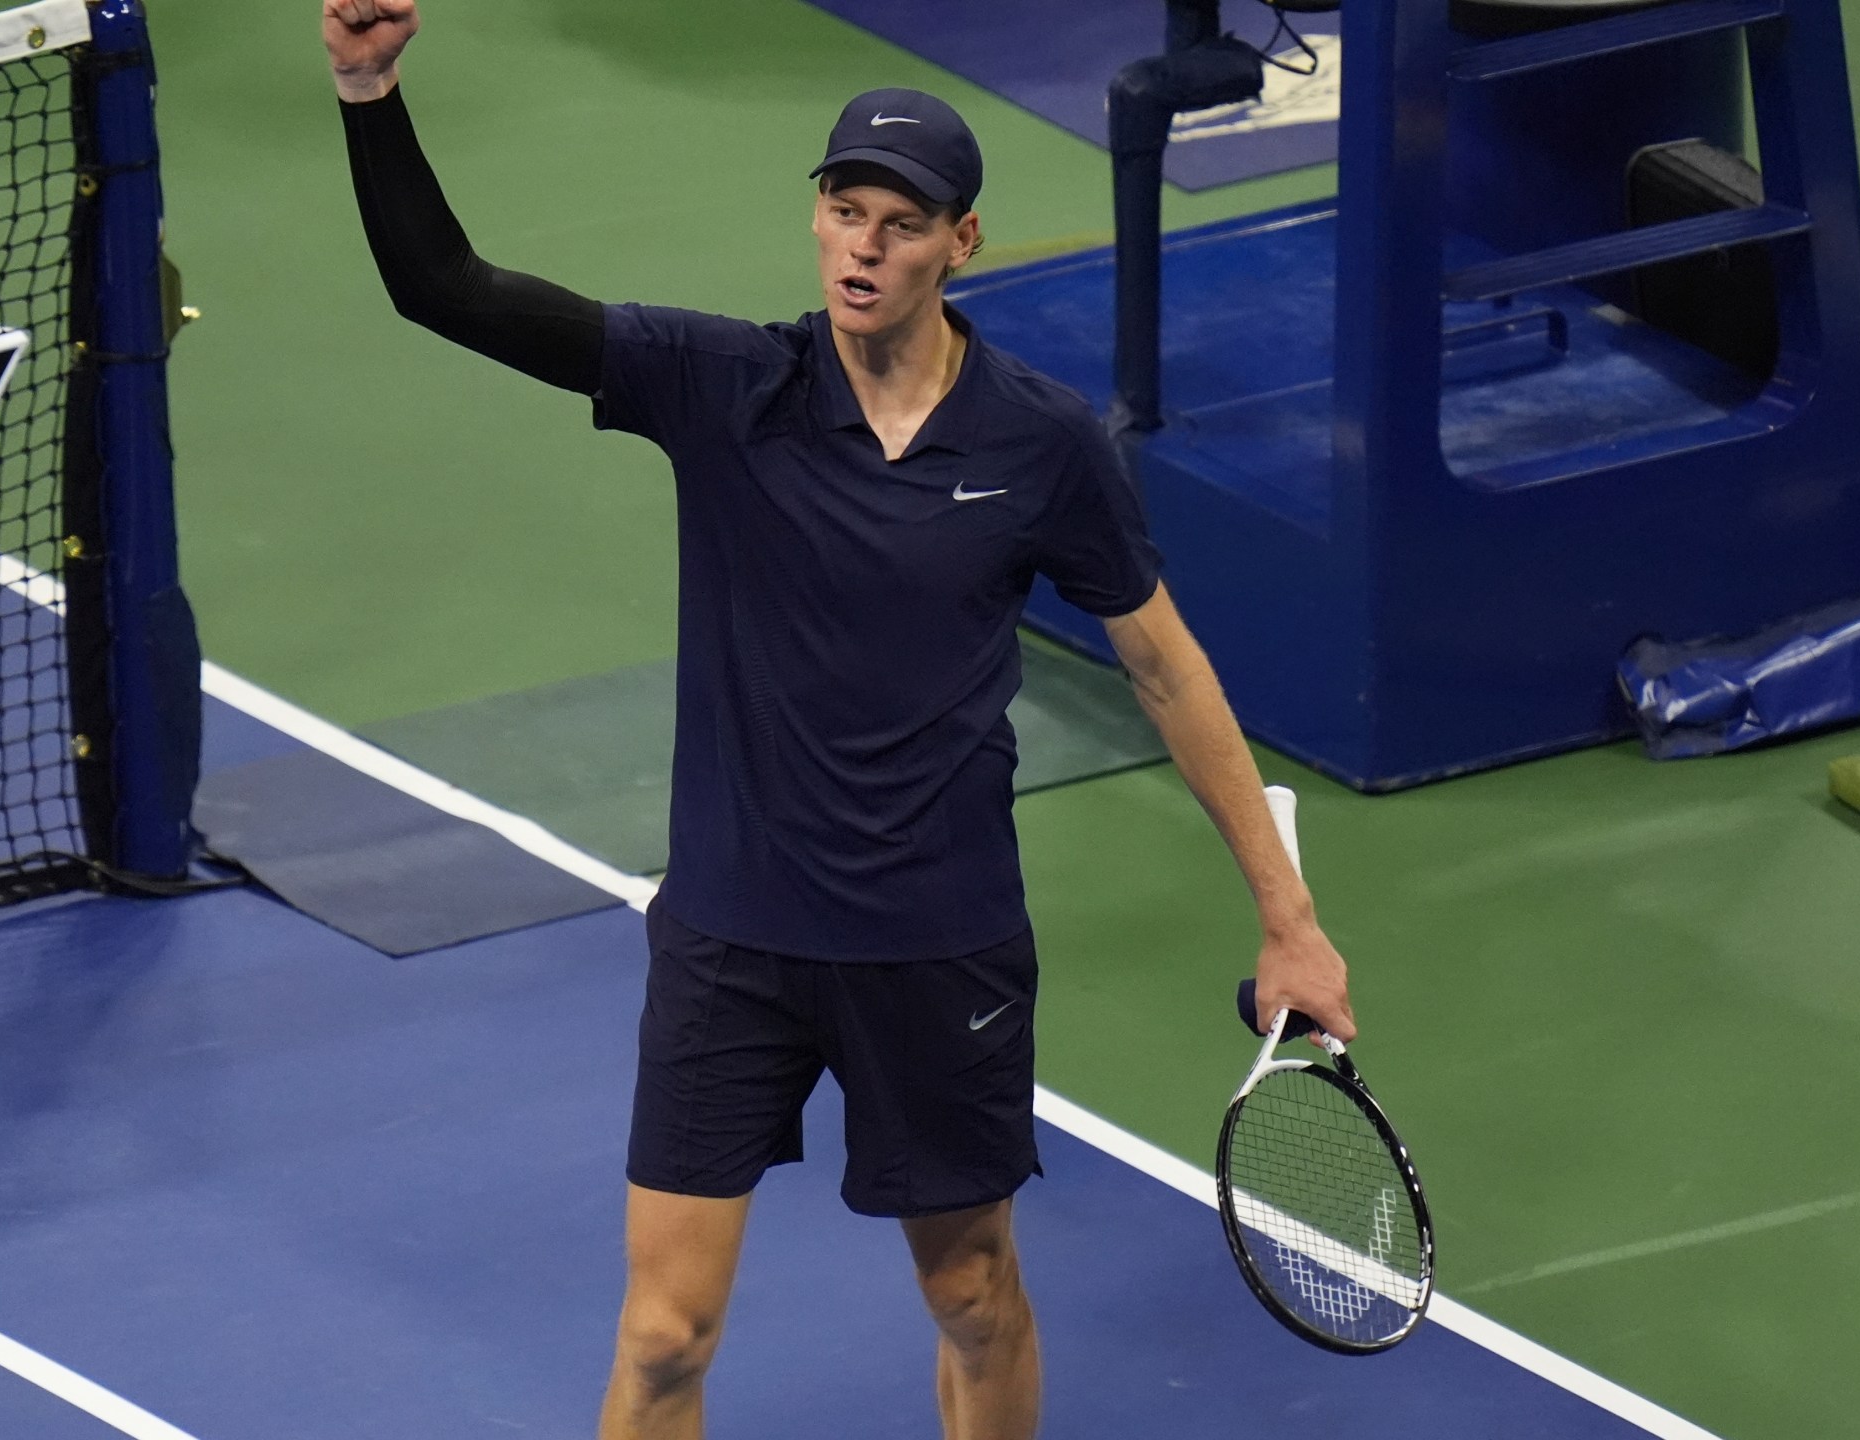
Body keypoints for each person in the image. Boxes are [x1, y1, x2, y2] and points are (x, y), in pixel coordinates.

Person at [321, 4, 1356, 1436]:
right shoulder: (721, 386)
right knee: (664, 1335)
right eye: (844, 210)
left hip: (936, 943)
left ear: (960, 243)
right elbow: (446, 287)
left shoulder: (1041, 442)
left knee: (973, 1296)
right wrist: (368, 88)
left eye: (902, 223)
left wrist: (1289, 918)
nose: (864, 246)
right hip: (733, 939)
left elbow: (1168, 671)